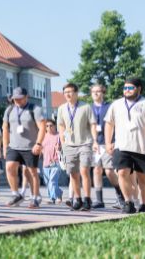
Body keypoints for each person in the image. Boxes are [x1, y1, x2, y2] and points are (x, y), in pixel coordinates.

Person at [104, 77, 145, 214]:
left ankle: (143, 204)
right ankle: (128, 202)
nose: (127, 90)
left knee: (142, 178)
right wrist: (107, 142)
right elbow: (109, 123)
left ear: (139, 89)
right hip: (122, 147)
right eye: (125, 88)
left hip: (143, 148)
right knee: (122, 173)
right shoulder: (117, 104)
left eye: (130, 88)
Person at [57, 82, 97, 211]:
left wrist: (95, 140)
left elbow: (93, 124)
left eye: (70, 92)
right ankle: (78, 199)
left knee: (84, 170)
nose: (67, 94)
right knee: (73, 173)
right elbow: (61, 124)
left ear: (76, 93)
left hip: (85, 142)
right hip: (69, 144)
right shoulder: (62, 108)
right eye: (65, 92)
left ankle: (87, 199)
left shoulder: (86, 107)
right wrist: (62, 138)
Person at [2, 87, 45, 209]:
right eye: (15, 99)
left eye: (20, 99)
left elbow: (42, 126)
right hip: (13, 146)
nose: (17, 101)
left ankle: (35, 197)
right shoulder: (9, 110)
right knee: (9, 167)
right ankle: (16, 194)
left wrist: (39, 143)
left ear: (27, 97)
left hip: (30, 147)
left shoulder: (35, 109)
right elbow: (5, 128)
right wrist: (5, 146)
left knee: (30, 172)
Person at [90, 83, 123, 209]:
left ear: (103, 93)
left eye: (98, 91)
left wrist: (114, 140)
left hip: (107, 143)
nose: (96, 94)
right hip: (95, 144)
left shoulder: (109, 107)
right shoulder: (89, 108)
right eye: (94, 92)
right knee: (97, 170)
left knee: (109, 171)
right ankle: (99, 200)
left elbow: (116, 124)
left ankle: (120, 195)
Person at [41, 120, 63, 204]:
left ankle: (52, 198)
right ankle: (59, 192)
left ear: (54, 126)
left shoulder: (59, 136)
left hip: (56, 162)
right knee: (48, 182)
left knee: (52, 181)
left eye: (51, 125)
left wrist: (60, 147)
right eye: (47, 126)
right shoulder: (43, 136)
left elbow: (64, 147)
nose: (49, 127)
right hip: (45, 163)